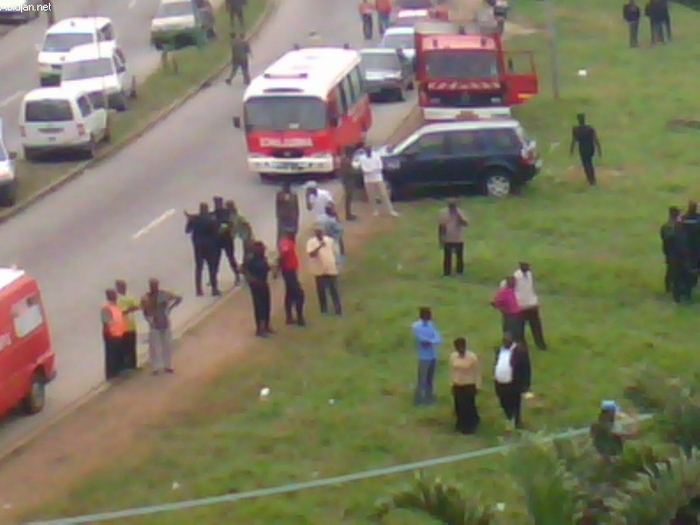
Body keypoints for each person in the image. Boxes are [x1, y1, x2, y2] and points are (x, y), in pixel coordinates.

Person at [141, 278, 182, 375]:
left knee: (167, 345)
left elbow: (179, 298)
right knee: (155, 347)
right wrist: (149, 319)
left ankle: (168, 365)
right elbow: (144, 309)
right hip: (154, 323)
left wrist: (170, 308)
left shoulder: (164, 294)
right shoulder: (146, 297)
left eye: (155, 285)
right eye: (152, 285)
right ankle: (156, 367)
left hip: (165, 321)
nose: (153, 287)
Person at [493, 333, 529, 430]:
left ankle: (517, 422)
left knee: (514, 403)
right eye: (504, 341)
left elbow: (525, 369)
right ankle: (509, 417)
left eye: (507, 341)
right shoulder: (499, 351)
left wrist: (525, 385)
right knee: (503, 401)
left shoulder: (519, 352)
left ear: (512, 341)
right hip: (500, 383)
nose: (505, 343)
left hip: (513, 383)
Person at [185, 202, 221, 296]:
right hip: (210, 246)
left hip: (198, 246)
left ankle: (198, 290)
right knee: (211, 267)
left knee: (199, 268)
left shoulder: (195, 219)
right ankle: (214, 289)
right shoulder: (211, 220)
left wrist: (189, 220)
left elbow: (187, 231)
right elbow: (217, 231)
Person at [306, 224, 342, 315]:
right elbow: (311, 254)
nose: (319, 233)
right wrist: (319, 246)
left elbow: (336, 252)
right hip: (319, 270)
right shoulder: (311, 242)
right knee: (321, 291)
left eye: (320, 231)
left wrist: (337, 264)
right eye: (317, 231)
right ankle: (324, 310)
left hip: (330, 268)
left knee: (334, 290)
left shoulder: (329, 241)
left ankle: (338, 309)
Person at [449, 337, 481, 434]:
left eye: (462, 347)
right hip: (458, 385)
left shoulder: (472, 357)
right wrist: (451, 383)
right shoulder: (453, 357)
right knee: (458, 406)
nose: (460, 349)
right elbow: (452, 371)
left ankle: (470, 426)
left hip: (469, 385)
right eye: (458, 347)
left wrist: (478, 386)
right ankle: (460, 425)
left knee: (468, 406)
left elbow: (477, 372)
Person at [661, 206, 692, 302]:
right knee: (676, 274)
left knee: (673, 272)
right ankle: (676, 295)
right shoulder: (670, 228)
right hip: (675, 255)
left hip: (674, 255)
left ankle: (674, 291)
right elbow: (669, 240)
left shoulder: (673, 227)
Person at [513, 262, 547, 350]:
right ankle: (521, 346)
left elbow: (530, 289)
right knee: (520, 327)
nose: (528, 268)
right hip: (521, 305)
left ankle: (540, 345)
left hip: (531, 304)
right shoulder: (516, 276)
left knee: (536, 326)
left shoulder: (529, 274)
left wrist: (535, 301)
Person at [357, 145, 398, 217]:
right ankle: (375, 210)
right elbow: (363, 169)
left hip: (378, 178)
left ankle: (390, 210)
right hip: (368, 180)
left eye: (369, 150)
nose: (368, 152)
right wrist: (370, 170)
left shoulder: (376, 155)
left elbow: (380, 166)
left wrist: (370, 170)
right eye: (366, 150)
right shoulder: (362, 158)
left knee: (384, 194)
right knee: (371, 196)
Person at [412, 307, 441, 406]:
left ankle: (429, 397)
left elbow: (438, 338)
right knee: (422, 379)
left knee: (430, 378)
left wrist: (431, 341)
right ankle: (419, 399)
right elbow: (422, 339)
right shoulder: (416, 326)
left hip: (433, 355)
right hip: (423, 357)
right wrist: (431, 340)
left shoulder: (431, 325)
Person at [243, 241, 274, 336]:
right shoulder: (250, 259)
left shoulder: (262, 258)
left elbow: (266, 268)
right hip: (256, 285)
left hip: (264, 283)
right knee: (259, 306)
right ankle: (259, 328)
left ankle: (267, 325)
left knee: (267, 305)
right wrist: (251, 280)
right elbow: (243, 269)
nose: (264, 251)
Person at [213, 197, 243, 287]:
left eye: (218, 203)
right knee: (215, 260)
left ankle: (237, 275)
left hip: (227, 239)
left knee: (231, 258)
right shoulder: (214, 213)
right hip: (218, 240)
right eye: (215, 203)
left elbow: (228, 223)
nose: (217, 205)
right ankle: (213, 279)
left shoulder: (226, 213)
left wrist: (222, 229)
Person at [278, 231, 305, 326]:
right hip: (288, 272)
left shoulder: (290, 243)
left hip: (291, 271)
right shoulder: (286, 243)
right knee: (299, 294)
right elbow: (282, 256)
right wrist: (279, 268)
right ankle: (300, 317)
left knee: (289, 294)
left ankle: (289, 317)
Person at [101, 289, 127, 380]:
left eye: (115, 294)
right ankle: (111, 375)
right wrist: (107, 335)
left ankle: (118, 372)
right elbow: (106, 323)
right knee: (111, 355)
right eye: (113, 295)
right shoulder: (107, 308)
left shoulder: (116, 306)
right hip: (112, 335)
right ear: (109, 296)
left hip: (119, 334)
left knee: (118, 354)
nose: (115, 296)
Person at [570, 113, 602, 186]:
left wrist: (571, 150)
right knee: (590, 162)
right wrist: (599, 149)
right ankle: (592, 179)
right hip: (590, 147)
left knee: (585, 164)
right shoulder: (590, 129)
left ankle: (589, 178)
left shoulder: (576, 130)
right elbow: (595, 139)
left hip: (582, 148)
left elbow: (574, 141)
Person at [115, 279, 140, 371]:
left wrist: (129, 309)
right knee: (123, 348)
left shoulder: (129, 297)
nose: (123, 288)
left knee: (131, 346)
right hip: (121, 327)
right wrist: (128, 309)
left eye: (124, 286)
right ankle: (124, 368)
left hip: (131, 326)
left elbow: (137, 305)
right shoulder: (117, 299)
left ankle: (133, 366)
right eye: (121, 286)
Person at [438, 199, 468, 276]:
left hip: (458, 238)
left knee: (459, 257)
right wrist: (441, 239)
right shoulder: (443, 213)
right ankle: (447, 272)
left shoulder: (460, 212)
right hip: (448, 238)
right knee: (447, 257)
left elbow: (465, 223)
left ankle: (459, 271)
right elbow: (441, 227)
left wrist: (459, 216)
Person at [491, 276, 523, 343]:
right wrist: (503, 309)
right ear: (508, 283)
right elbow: (495, 303)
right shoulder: (505, 292)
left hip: (517, 315)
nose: (514, 284)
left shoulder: (513, 291)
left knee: (516, 332)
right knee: (509, 332)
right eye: (512, 282)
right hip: (510, 315)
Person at [339, 147, 359, 221]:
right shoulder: (346, 161)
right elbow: (348, 171)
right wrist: (357, 171)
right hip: (348, 181)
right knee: (348, 198)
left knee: (348, 198)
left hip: (347, 180)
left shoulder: (345, 160)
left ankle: (348, 214)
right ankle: (348, 214)